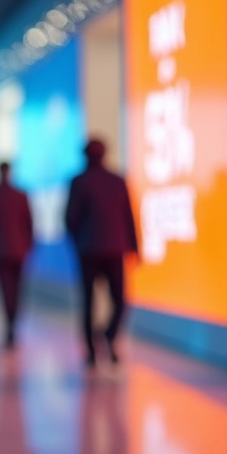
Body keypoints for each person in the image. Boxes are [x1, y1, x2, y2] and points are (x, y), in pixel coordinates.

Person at [65, 139, 138, 367]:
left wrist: (79, 241)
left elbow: (70, 219)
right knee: (119, 300)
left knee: (88, 302)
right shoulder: (117, 180)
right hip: (115, 249)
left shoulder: (79, 181)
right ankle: (108, 336)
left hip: (88, 251)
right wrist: (135, 246)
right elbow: (129, 216)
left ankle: (91, 351)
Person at [0, 162, 34, 349]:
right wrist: (28, 245)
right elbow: (29, 223)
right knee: (17, 289)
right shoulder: (20, 195)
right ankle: (12, 324)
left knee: (5, 290)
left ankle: (9, 324)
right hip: (18, 250)